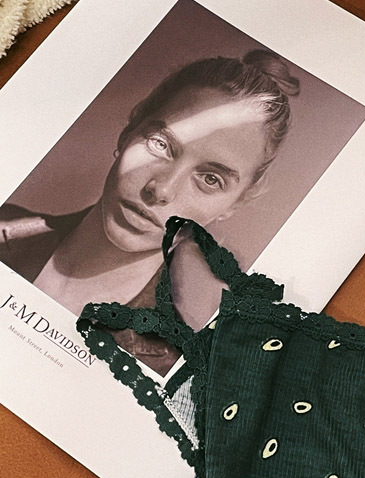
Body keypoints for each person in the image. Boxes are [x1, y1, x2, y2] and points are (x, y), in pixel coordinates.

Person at [0, 50, 299, 375]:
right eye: (160, 144)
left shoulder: (168, 363)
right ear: (129, 132)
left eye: (211, 179)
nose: (162, 189)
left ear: (233, 205)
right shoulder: (5, 222)